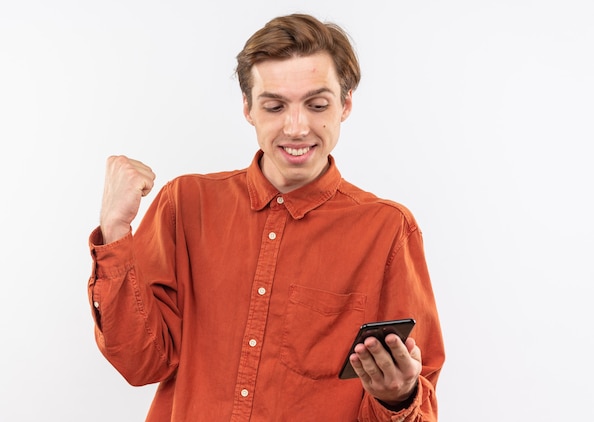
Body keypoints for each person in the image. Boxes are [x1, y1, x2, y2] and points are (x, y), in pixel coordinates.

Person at [87, 13, 445, 422]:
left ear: (345, 105)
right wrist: (116, 231)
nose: (296, 127)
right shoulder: (185, 204)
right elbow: (140, 363)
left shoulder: (387, 230)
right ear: (248, 108)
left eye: (317, 104)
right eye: (274, 106)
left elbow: (422, 402)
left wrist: (399, 397)